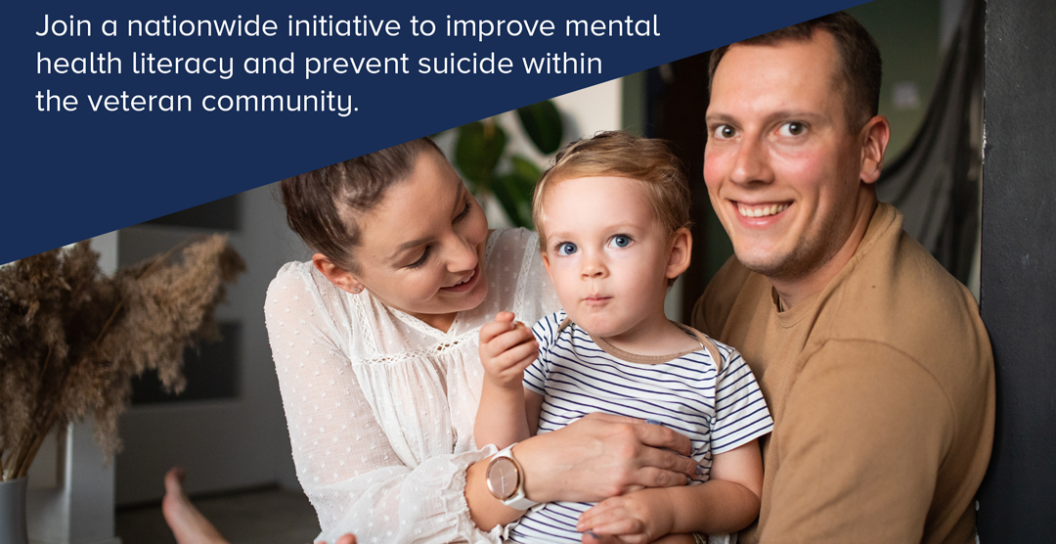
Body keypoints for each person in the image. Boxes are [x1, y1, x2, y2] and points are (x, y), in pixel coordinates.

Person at [163, 137, 703, 544]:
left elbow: (644, 410)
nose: (468, 257)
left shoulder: (545, 263)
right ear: (342, 274)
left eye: (462, 209)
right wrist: (527, 472)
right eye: (418, 254)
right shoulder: (309, 302)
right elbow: (358, 521)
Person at [692, 12, 994, 544]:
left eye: (792, 128)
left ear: (869, 149)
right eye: (727, 130)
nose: (744, 171)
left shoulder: (870, 365)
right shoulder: (752, 272)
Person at [474, 132, 773, 544]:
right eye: (567, 248)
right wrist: (501, 384)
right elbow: (501, 455)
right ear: (547, 265)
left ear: (674, 254)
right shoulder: (550, 341)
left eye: (619, 240)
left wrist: (668, 511)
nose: (590, 268)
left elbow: (744, 494)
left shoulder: (718, 370)